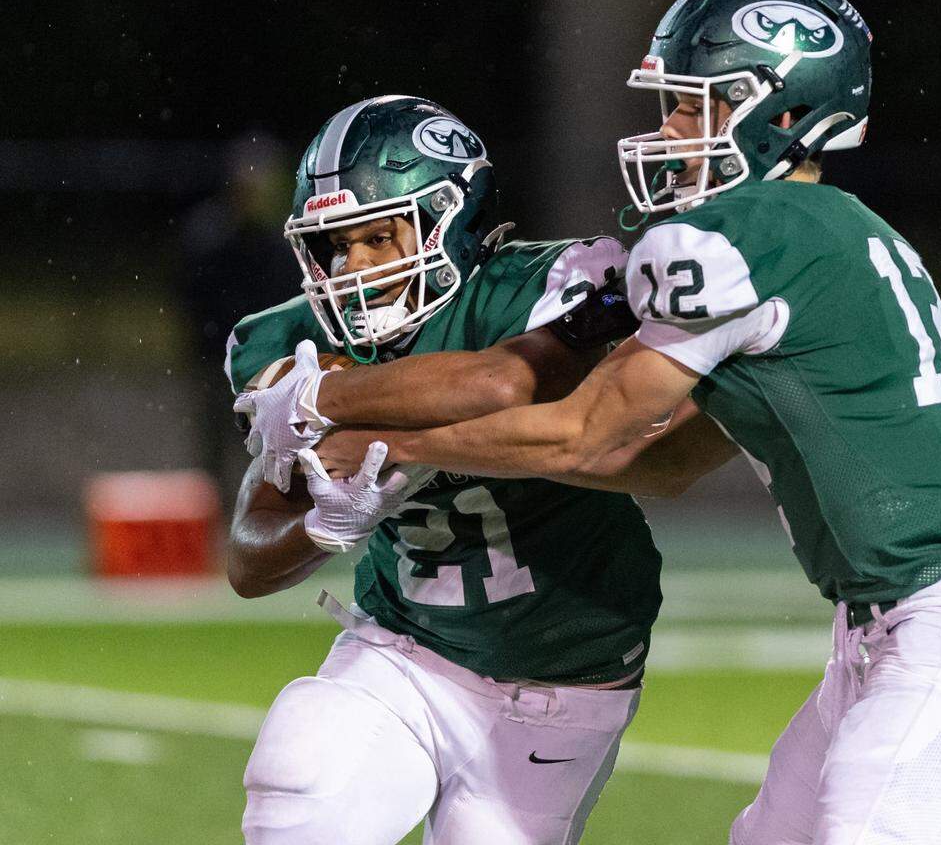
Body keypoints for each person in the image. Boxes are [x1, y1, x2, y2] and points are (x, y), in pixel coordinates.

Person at [297, 0, 941, 845]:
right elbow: (657, 462)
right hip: (886, 627)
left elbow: (583, 434)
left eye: (694, 108)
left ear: (784, 112)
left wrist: (391, 444)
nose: (666, 132)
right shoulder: (836, 226)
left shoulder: (743, 235)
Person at [226, 95, 737, 845]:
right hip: (403, 648)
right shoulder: (288, 339)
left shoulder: (553, 284)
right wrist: (324, 525)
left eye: (379, 237)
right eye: (336, 245)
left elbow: (508, 383)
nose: (353, 267)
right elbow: (247, 559)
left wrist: (326, 401)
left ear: (450, 221)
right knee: (298, 779)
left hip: (562, 675)